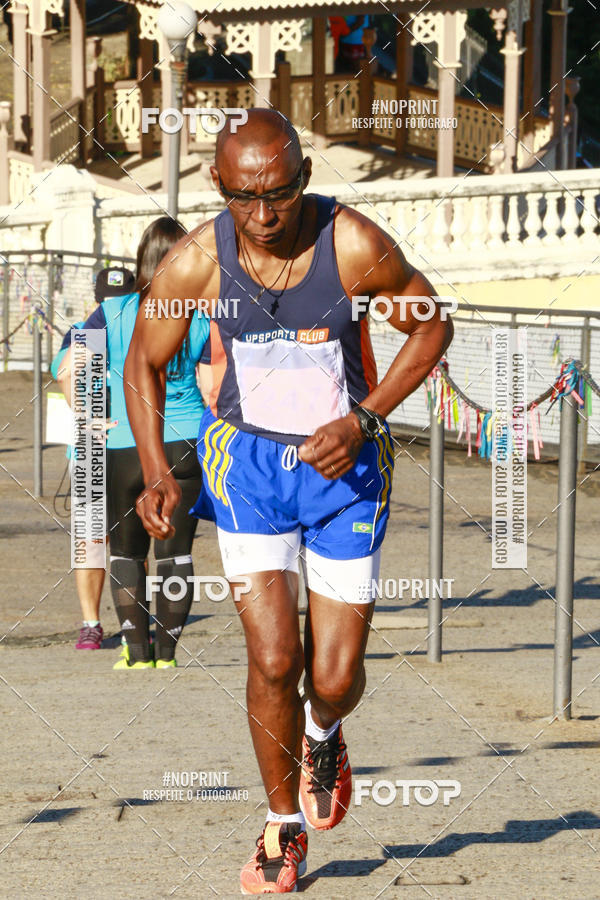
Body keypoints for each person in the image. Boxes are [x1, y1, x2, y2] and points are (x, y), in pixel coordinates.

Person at [124, 109, 453, 891]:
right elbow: (142, 363)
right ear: (219, 185)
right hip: (247, 469)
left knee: (333, 676)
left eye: (277, 195)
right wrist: (158, 472)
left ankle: (325, 731)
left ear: (304, 179)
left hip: (347, 472)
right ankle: (283, 826)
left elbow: (432, 325)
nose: (263, 216)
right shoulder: (198, 261)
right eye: (243, 197)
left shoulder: (351, 246)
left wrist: (365, 416)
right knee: (274, 656)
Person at [59, 218, 210, 669]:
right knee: (175, 551)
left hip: (123, 441)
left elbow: (69, 366)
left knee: (126, 551)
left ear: (141, 260)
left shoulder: (114, 310)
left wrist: (89, 417)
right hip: (184, 438)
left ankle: (135, 652)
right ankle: (167, 653)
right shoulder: (201, 310)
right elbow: (221, 376)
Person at [53, 265, 136, 650]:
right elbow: (67, 374)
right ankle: (132, 623)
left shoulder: (86, 328)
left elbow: (65, 375)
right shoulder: (133, 327)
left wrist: (86, 418)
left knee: (93, 539)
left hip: (92, 446)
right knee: (129, 541)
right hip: (125, 444)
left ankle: (92, 624)